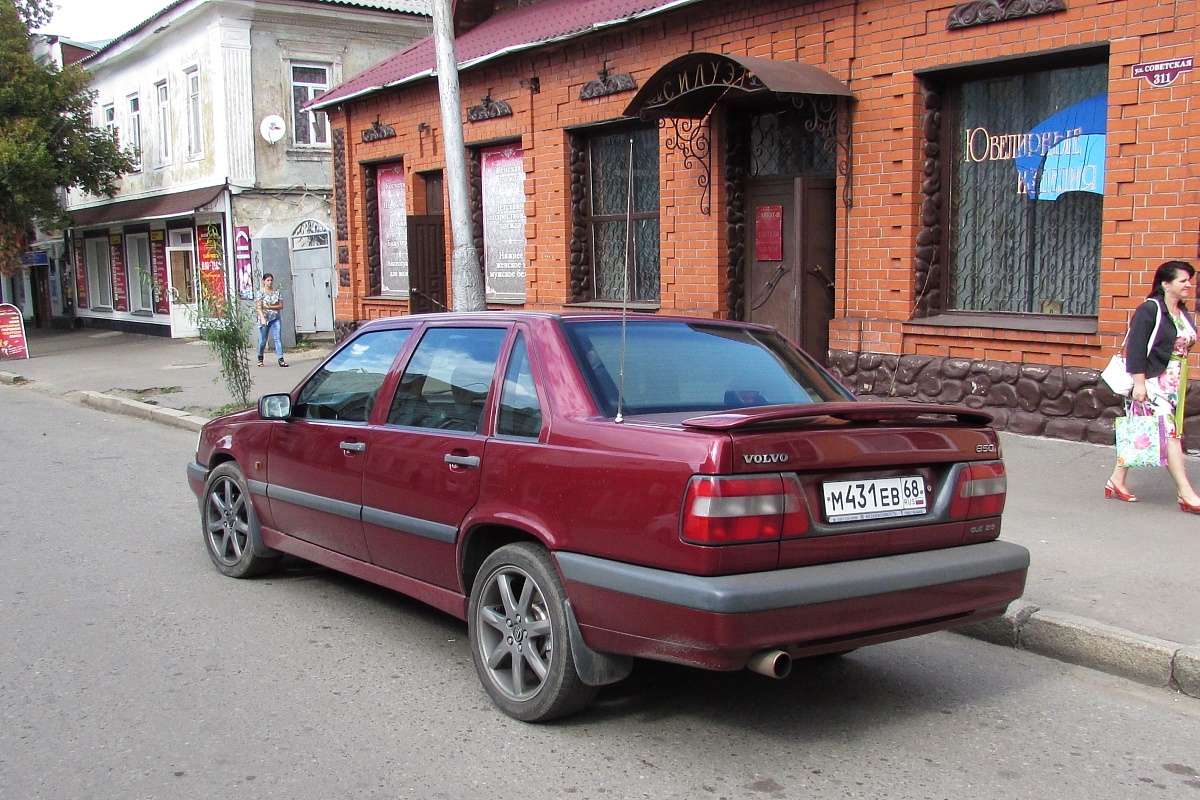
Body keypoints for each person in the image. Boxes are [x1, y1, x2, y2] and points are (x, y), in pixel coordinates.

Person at [1106, 260, 1199, 510]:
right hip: (1152, 379)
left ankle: (1116, 479)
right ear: (1166, 284)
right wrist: (1139, 384)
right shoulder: (1150, 309)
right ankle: (1186, 492)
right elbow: (1136, 347)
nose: (1189, 284)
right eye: (1183, 280)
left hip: (1174, 381)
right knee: (1169, 434)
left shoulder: (1181, 311)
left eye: (1190, 280)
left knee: (1144, 428)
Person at [255, 273, 288, 367]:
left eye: (271, 280)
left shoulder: (277, 292)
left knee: (277, 338)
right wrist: (262, 318)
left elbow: (281, 306)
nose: (269, 282)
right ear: (264, 281)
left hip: (275, 318)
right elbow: (259, 307)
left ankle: (281, 359)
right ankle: (260, 357)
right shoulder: (261, 293)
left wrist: (269, 306)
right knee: (263, 340)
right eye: (268, 280)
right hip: (265, 319)